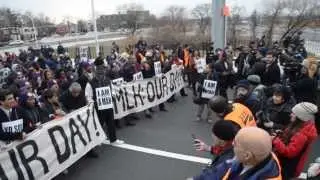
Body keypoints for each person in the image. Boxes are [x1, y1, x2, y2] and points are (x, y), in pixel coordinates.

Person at [189, 127, 282, 180]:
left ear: (247, 155)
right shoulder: (259, 155)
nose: (232, 144)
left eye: (236, 144)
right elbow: (220, 170)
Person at [272, 102, 318, 179]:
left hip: (288, 167)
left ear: (300, 117)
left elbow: (289, 152)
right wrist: (281, 134)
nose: (290, 114)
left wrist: (275, 140)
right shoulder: (301, 125)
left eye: (294, 113)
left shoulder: (302, 135)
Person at [85, 59, 124, 144]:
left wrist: (113, 95)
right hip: (98, 107)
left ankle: (113, 139)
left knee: (111, 122)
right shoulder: (90, 83)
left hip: (108, 105)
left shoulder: (107, 80)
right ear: (95, 70)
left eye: (102, 69)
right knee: (99, 124)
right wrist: (92, 104)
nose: (101, 71)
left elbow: (112, 90)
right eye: (99, 69)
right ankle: (97, 140)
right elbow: (88, 96)